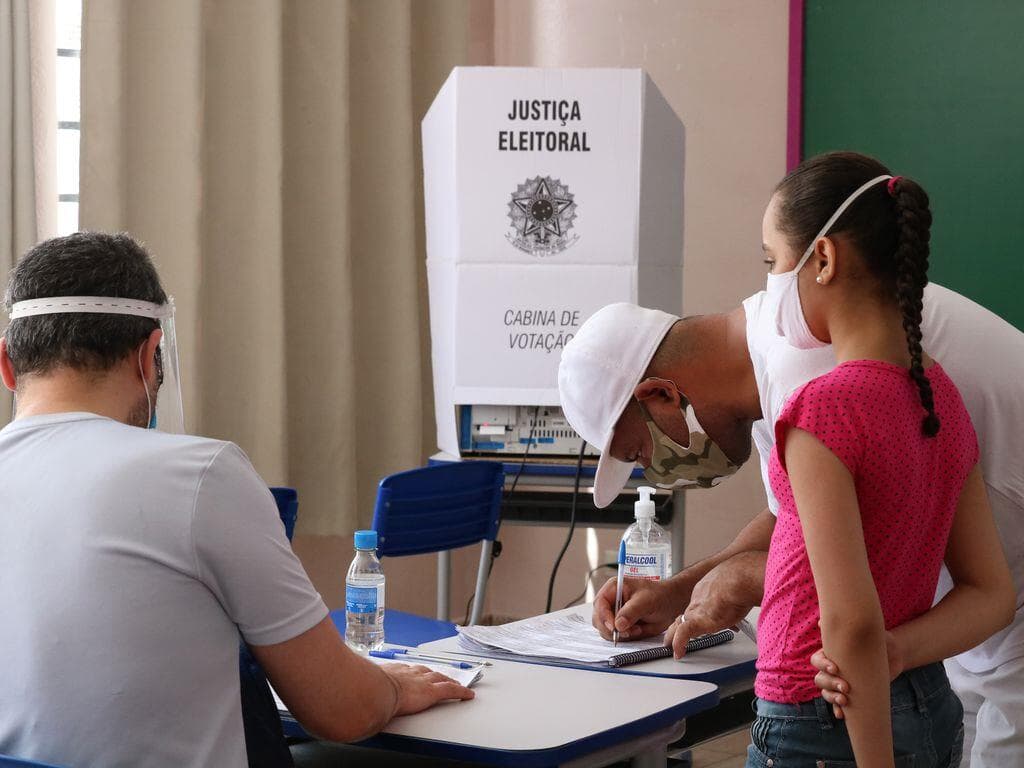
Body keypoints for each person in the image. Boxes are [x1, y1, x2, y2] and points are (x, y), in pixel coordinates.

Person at [559, 159, 1024, 766]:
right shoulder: (798, 360)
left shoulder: (813, 362)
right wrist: (682, 589)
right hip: (948, 637)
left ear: (660, 395)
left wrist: (744, 578)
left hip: (912, 662)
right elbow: (799, 520)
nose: (656, 468)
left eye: (640, 451)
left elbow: (843, 592)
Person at [0, 233, 474, 768]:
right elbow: (342, 711)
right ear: (150, 355)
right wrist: (391, 686)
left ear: (7, 365)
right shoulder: (200, 475)